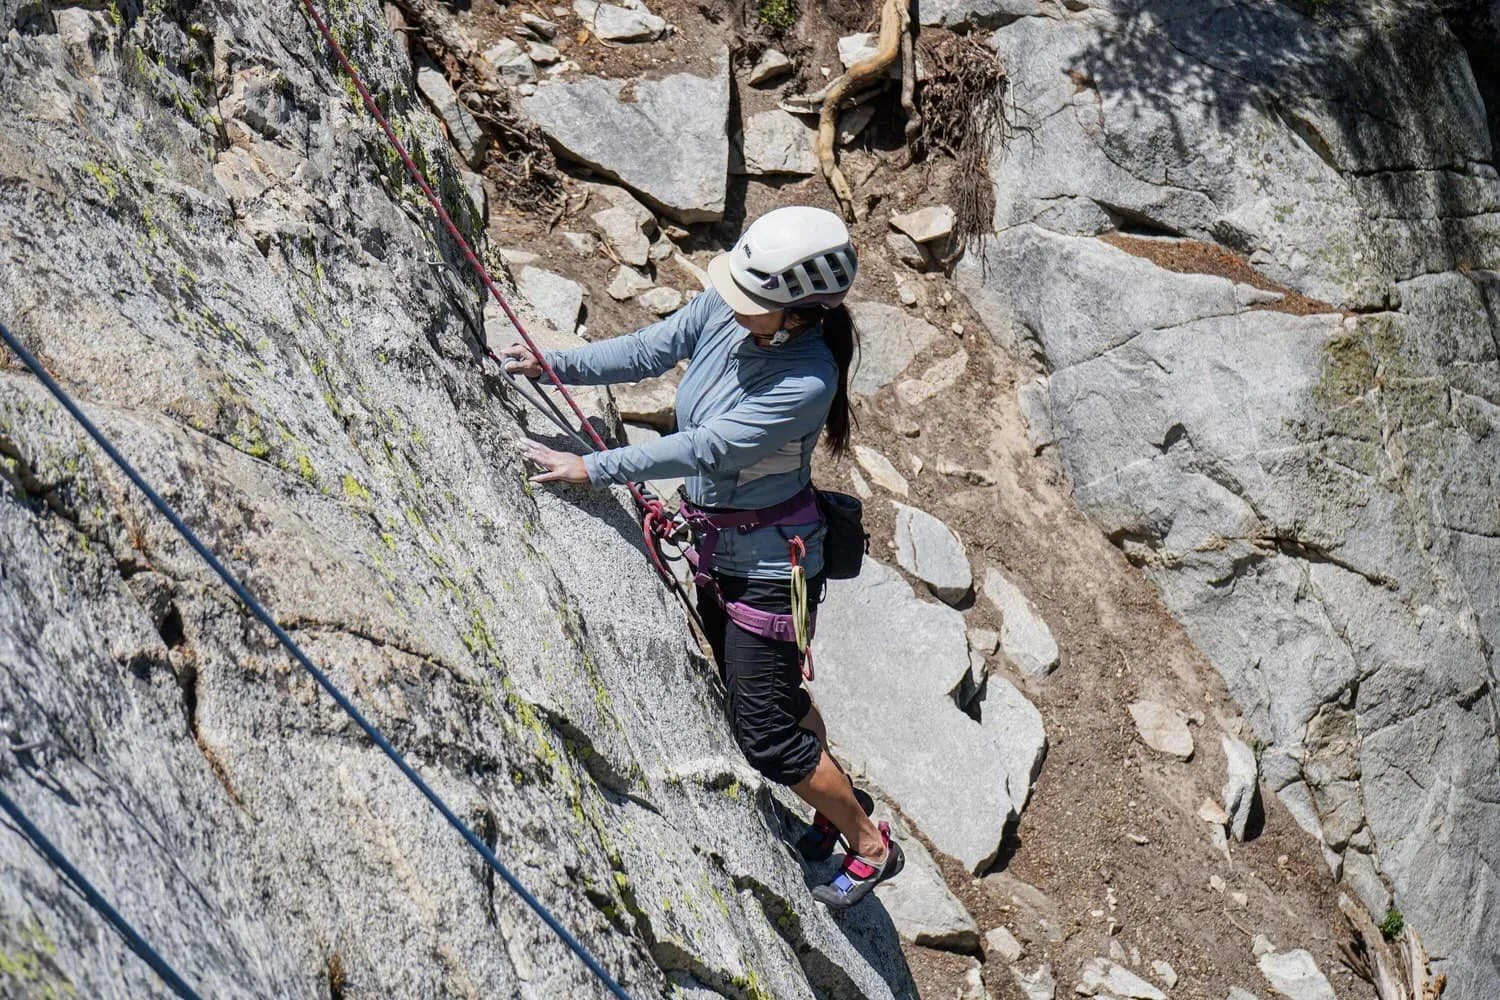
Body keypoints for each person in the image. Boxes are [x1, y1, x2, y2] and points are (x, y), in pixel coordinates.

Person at [502, 205, 903, 907]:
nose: (733, 305)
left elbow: (705, 448)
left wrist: (590, 468)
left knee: (767, 738)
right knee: (773, 696)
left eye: (756, 302)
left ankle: (870, 844)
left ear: (804, 313)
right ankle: (833, 801)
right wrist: (553, 362)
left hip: (770, 572)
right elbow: (651, 348)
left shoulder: (806, 382)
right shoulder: (733, 303)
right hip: (728, 547)